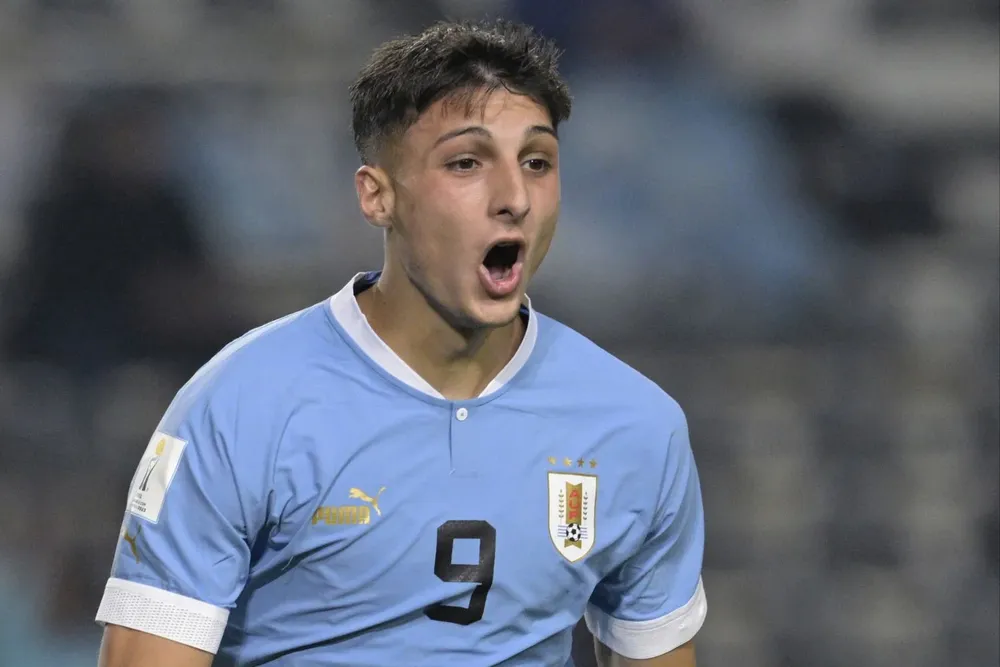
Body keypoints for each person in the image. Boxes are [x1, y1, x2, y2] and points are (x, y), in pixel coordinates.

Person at [94, 19, 707, 667]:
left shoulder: (636, 425)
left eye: (537, 162)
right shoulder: (241, 405)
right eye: (466, 162)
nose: (513, 198)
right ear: (378, 195)